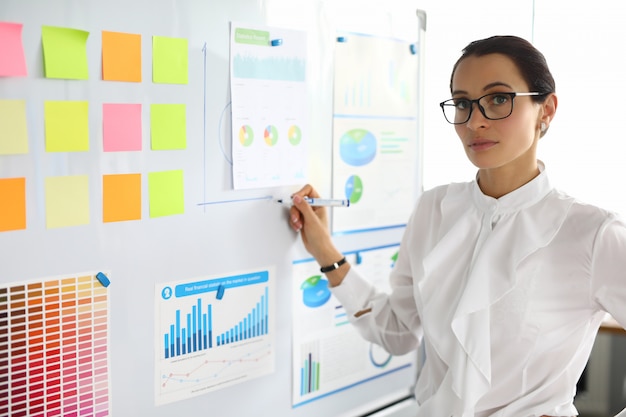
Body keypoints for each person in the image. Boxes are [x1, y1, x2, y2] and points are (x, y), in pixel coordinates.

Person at [287, 35, 626, 417]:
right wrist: (324, 251)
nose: (475, 120)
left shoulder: (592, 232)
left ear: (545, 109)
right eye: (463, 102)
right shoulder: (434, 209)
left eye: (498, 98)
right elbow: (397, 332)